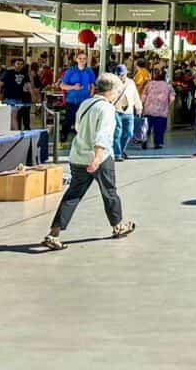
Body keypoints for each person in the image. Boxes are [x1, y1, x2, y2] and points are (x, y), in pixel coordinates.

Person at [42, 73, 136, 250]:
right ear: (111, 91)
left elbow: (78, 127)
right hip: (98, 158)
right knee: (109, 192)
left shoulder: (86, 103)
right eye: (117, 91)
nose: (117, 95)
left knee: (73, 195)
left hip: (77, 156)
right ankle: (118, 226)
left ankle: (53, 233)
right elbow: (103, 135)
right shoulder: (107, 109)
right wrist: (98, 158)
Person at [60, 51, 95, 140]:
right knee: (69, 119)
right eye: (80, 58)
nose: (82, 60)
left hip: (84, 100)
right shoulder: (70, 71)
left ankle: (80, 139)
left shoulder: (89, 71)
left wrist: (91, 93)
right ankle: (63, 136)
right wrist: (73, 87)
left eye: (84, 59)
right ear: (76, 59)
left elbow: (92, 84)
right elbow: (62, 85)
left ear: (86, 60)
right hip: (72, 100)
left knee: (83, 120)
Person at [111, 65, 142, 162]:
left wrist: (139, 107)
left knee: (129, 133)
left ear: (126, 73)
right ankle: (117, 154)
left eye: (122, 75)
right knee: (117, 132)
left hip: (128, 111)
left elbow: (135, 95)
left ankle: (121, 150)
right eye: (119, 75)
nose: (121, 77)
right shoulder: (112, 83)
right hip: (116, 110)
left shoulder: (131, 83)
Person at [141, 69, 175, 149]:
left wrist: (143, 104)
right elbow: (172, 98)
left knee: (146, 127)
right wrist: (167, 104)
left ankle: (144, 140)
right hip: (162, 112)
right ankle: (158, 143)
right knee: (159, 129)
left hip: (149, 110)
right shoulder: (168, 86)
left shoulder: (149, 84)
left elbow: (143, 96)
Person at [1, 58, 32, 130]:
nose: (19, 66)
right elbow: (0, 83)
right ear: (14, 64)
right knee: (13, 117)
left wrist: (33, 95)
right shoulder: (8, 72)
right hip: (9, 98)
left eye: (21, 64)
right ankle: (16, 133)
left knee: (13, 117)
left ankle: (13, 133)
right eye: (18, 64)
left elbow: (29, 85)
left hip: (19, 100)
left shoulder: (24, 74)